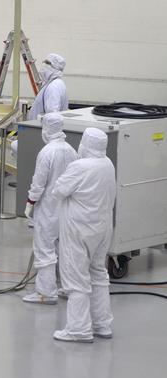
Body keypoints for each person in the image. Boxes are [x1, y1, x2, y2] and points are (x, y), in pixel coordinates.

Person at [53, 127, 117, 343]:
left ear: (85, 144)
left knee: (76, 279)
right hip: (102, 228)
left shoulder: (79, 166)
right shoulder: (107, 164)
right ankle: (102, 324)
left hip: (79, 230)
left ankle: (79, 329)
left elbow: (58, 191)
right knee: (99, 274)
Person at [22, 112, 76, 305]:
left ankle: (45, 293)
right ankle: (68, 288)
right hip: (66, 209)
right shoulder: (71, 150)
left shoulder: (47, 152)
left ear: (47, 129)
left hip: (48, 209)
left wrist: (30, 202)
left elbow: (38, 183)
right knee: (64, 249)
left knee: (44, 249)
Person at [29, 52, 68, 118]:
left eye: (47, 63)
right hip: (37, 126)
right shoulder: (53, 83)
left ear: (54, 67)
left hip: (40, 127)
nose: (43, 64)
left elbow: (52, 115)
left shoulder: (54, 86)